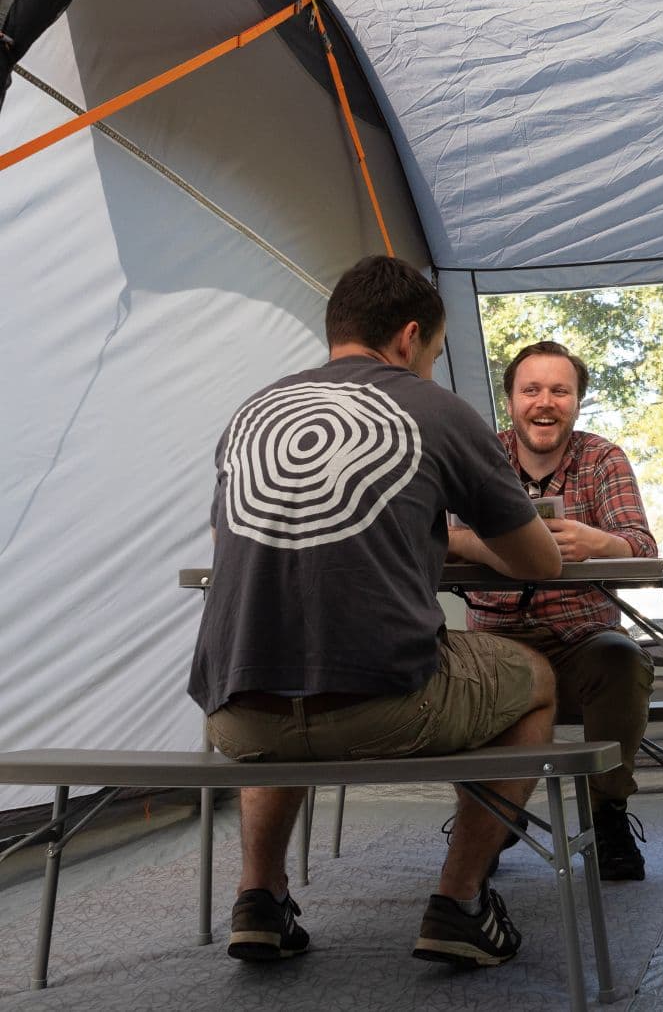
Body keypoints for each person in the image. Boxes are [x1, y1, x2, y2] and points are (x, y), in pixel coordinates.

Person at [188, 256, 562, 969]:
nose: (428, 366)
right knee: (534, 677)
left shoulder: (252, 414)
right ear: (410, 336)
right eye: (433, 352)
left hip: (235, 714)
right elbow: (539, 563)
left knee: (282, 664)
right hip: (386, 705)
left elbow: (223, 544)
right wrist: (461, 542)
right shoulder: (436, 410)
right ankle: (460, 903)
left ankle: (259, 900)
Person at [448, 341, 657, 880]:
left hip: (580, 642)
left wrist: (597, 542)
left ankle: (608, 815)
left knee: (623, 658)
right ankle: (488, 818)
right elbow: (439, 536)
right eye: (532, 390)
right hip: (496, 642)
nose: (546, 402)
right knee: (456, 666)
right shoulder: (478, 456)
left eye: (559, 390)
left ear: (577, 402)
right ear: (511, 400)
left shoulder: (603, 457)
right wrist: (488, 548)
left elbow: (642, 545)